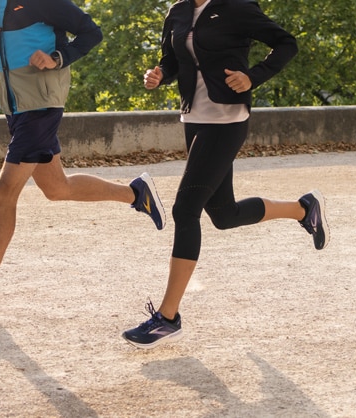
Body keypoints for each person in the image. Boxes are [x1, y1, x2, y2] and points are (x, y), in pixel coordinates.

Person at [121, 0, 329, 349]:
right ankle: (304, 209)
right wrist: (159, 75)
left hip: (227, 119)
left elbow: (286, 43)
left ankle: (168, 318)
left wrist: (253, 77)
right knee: (223, 214)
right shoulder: (178, 11)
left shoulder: (236, 7)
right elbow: (172, 60)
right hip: (194, 117)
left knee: (185, 210)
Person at [0, 0, 166, 312]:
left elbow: (91, 32)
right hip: (15, 106)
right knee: (57, 188)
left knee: (5, 191)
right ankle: (136, 194)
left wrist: (56, 58)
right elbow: (7, 55)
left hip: (41, 103)